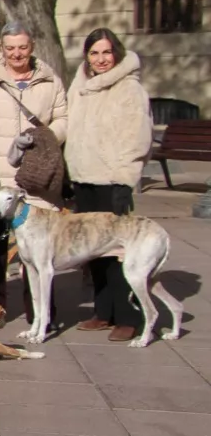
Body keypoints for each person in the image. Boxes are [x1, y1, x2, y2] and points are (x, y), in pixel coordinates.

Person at [0, 21, 69, 303]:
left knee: (39, 251)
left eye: (22, 47)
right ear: (2, 49)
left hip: (36, 178)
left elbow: (63, 118)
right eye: (10, 48)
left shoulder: (50, 80)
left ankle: (41, 313)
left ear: (32, 47)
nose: (16, 54)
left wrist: (46, 135)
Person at [66, 29, 153, 342]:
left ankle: (127, 315)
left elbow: (138, 137)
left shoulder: (130, 89)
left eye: (106, 52)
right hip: (82, 178)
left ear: (116, 53)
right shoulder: (81, 87)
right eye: (94, 53)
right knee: (93, 252)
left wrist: (124, 181)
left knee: (118, 253)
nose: (101, 59)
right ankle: (102, 312)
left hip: (111, 181)